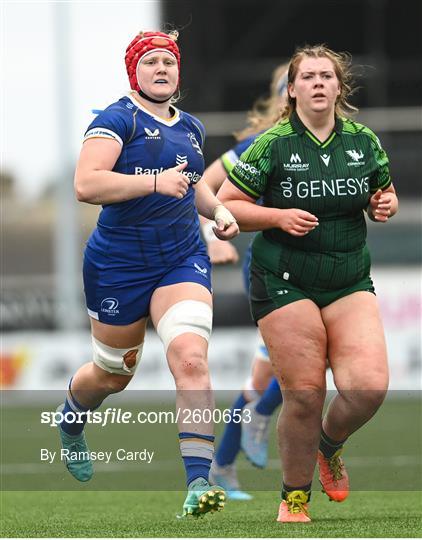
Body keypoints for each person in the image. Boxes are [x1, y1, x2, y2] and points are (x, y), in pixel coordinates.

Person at [56, 29, 239, 519]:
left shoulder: (193, 127)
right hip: (117, 264)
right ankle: (71, 421)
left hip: (180, 258)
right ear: (133, 72)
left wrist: (216, 209)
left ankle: (199, 484)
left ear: (179, 72)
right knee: (114, 374)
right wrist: (153, 182)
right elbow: (85, 183)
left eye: (169, 62)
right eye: (151, 62)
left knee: (192, 359)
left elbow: (192, 183)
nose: (162, 69)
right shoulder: (118, 118)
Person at [218, 44, 398, 522]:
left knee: (368, 389)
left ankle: (328, 445)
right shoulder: (272, 143)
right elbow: (226, 203)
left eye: (327, 76)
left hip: (348, 279)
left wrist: (385, 205)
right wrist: (276, 214)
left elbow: (385, 192)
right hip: (283, 279)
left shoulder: (363, 140)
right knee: (304, 392)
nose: (319, 83)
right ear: (292, 89)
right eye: (309, 76)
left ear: (339, 88)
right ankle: (293, 499)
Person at [200, 64, 290, 500]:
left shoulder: (342, 141)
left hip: (319, 266)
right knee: (302, 359)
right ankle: (260, 416)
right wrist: (210, 234)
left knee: (263, 376)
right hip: (271, 265)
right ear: (285, 96)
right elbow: (204, 185)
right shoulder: (262, 144)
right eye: (299, 83)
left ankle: (221, 464)